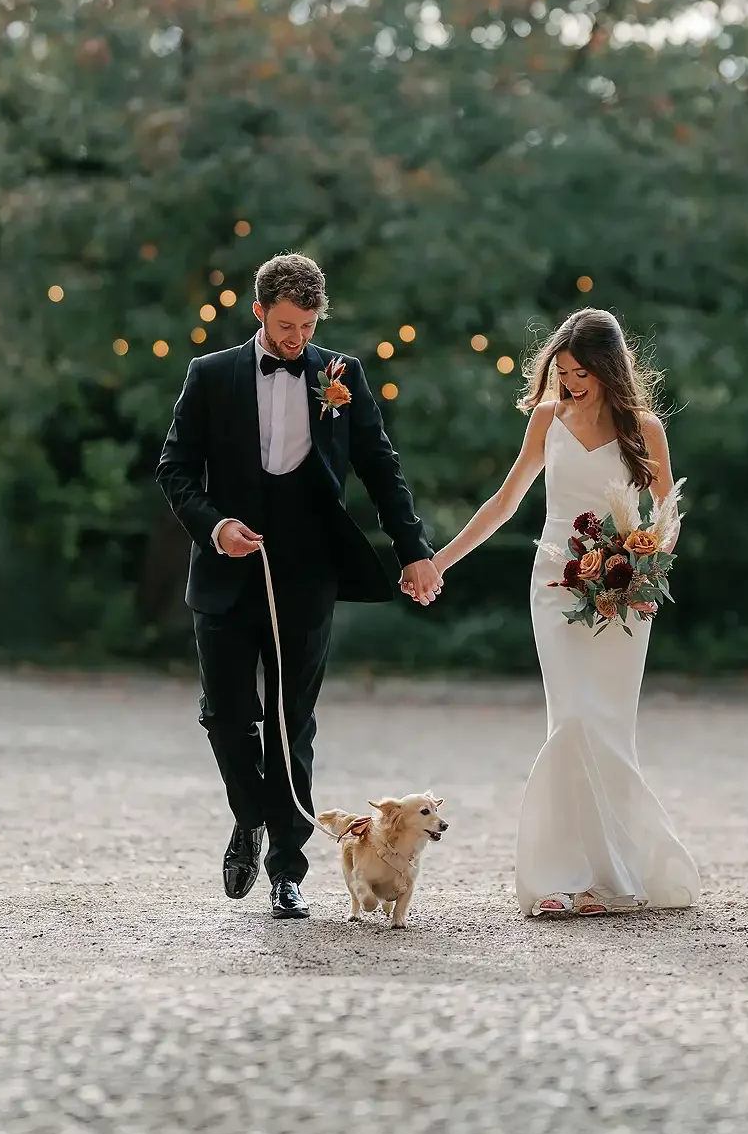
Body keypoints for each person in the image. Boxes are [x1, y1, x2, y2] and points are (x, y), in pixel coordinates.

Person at [157, 252, 441, 920]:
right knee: (225, 714)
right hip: (226, 569)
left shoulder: (343, 375)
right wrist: (215, 525)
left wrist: (414, 552)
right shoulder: (210, 374)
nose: (297, 339)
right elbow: (175, 468)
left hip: (308, 572)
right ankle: (250, 814)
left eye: (308, 326)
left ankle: (287, 870)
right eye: (285, 325)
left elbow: (381, 468)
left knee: (291, 725)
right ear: (259, 311)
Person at [427, 308, 700, 917]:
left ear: (609, 369)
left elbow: (667, 514)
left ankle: (610, 878)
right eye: (564, 373)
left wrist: (644, 560)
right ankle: (556, 876)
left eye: (582, 374)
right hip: (556, 584)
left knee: (606, 730)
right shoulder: (547, 420)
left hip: (625, 594)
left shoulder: (644, 429)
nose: (572, 384)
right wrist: (440, 562)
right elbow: (505, 501)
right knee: (571, 720)